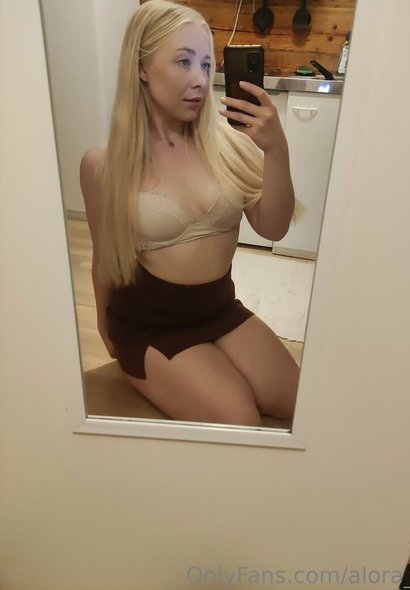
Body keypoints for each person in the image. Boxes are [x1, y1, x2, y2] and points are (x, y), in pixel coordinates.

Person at [80, 0, 299, 427]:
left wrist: (277, 150)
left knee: (301, 404)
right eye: (183, 62)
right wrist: (106, 330)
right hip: (149, 325)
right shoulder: (103, 165)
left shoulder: (231, 144)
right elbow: (105, 259)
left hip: (220, 309)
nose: (200, 79)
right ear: (142, 67)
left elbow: (273, 227)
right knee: (241, 421)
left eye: (205, 64)